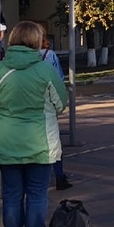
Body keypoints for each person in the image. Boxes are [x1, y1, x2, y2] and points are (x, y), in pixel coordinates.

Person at [0, 21, 70, 227]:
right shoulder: (45, 70)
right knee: (36, 195)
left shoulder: (0, 70)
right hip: (39, 143)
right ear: (36, 41)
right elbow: (61, 103)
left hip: (6, 142)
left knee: (12, 195)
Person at [40, 35, 72, 191]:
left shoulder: (7, 63)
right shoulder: (49, 55)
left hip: (18, 119)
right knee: (53, 145)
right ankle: (59, 177)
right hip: (46, 110)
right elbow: (59, 78)